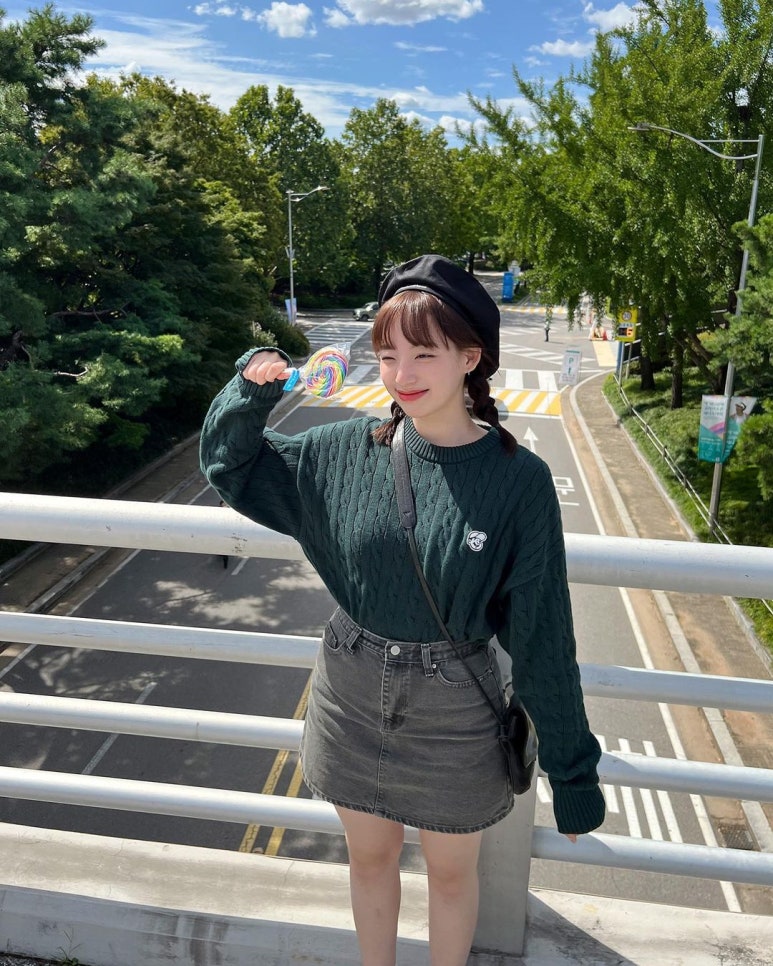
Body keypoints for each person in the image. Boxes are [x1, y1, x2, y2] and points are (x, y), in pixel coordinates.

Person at [200, 254, 605, 966]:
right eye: (388, 355)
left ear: (470, 358)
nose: (402, 374)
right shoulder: (339, 453)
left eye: (424, 354)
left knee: (450, 874)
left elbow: (542, 634)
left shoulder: (519, 481)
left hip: (456, 711)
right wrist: (250, 389)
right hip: (351, 690)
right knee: (367, 859)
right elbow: (231, 467)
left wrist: (573, 774)